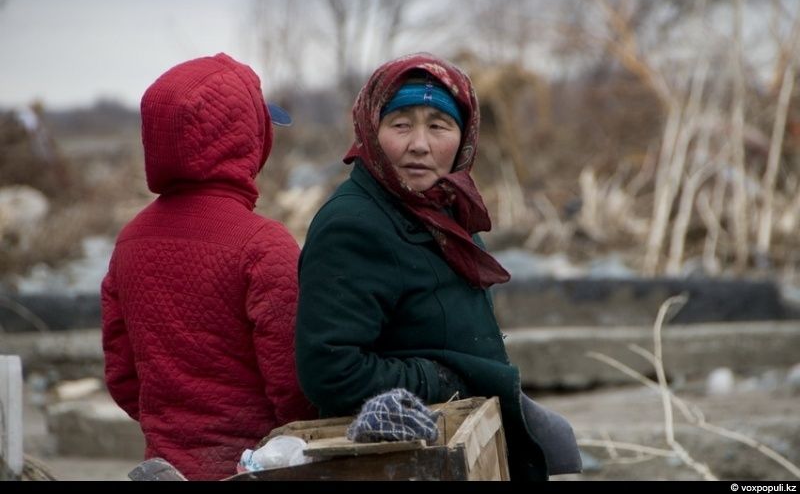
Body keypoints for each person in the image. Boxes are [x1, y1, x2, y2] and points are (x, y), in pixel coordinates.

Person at [295, 52, 581, 481]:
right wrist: (446, 380)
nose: (420, 144)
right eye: (401, 124)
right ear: (371, 131)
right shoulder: (353, 224)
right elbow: (331, 370)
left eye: (438, 125)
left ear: (463, 136)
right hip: (409, 449)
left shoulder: (441, 207)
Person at [101, 53, 316, 480]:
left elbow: (122, 375)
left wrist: (174, 428)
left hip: (163, 466)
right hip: (253, 467)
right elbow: (295, 387)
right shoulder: (262, 244)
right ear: (247, 138)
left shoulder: (130, 241)